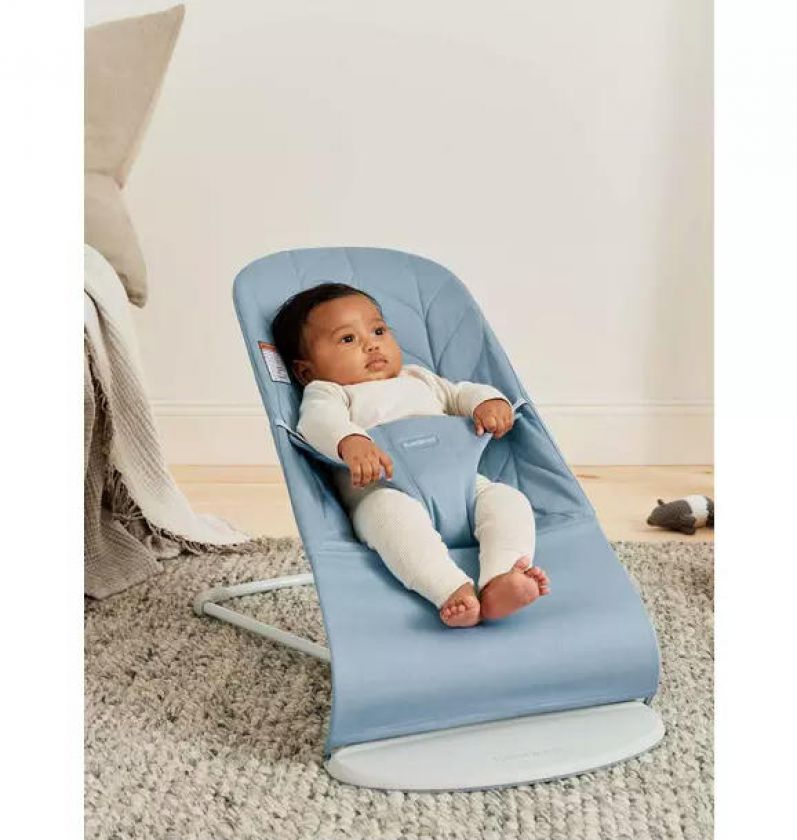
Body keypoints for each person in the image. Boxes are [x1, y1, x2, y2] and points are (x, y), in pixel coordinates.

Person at [272, 283, 549, 627]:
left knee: (508, 501)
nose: (371, 344)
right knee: (390, 520)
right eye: (348, 339)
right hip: (386, 491)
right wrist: (350, 440)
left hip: (463, 487)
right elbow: (317, 422)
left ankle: (502, 577)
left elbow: (461, 394)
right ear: (306, 371)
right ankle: (450, 589)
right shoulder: (329, 392)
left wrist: (488, 402)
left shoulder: (419, 379)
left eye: (378, 331)